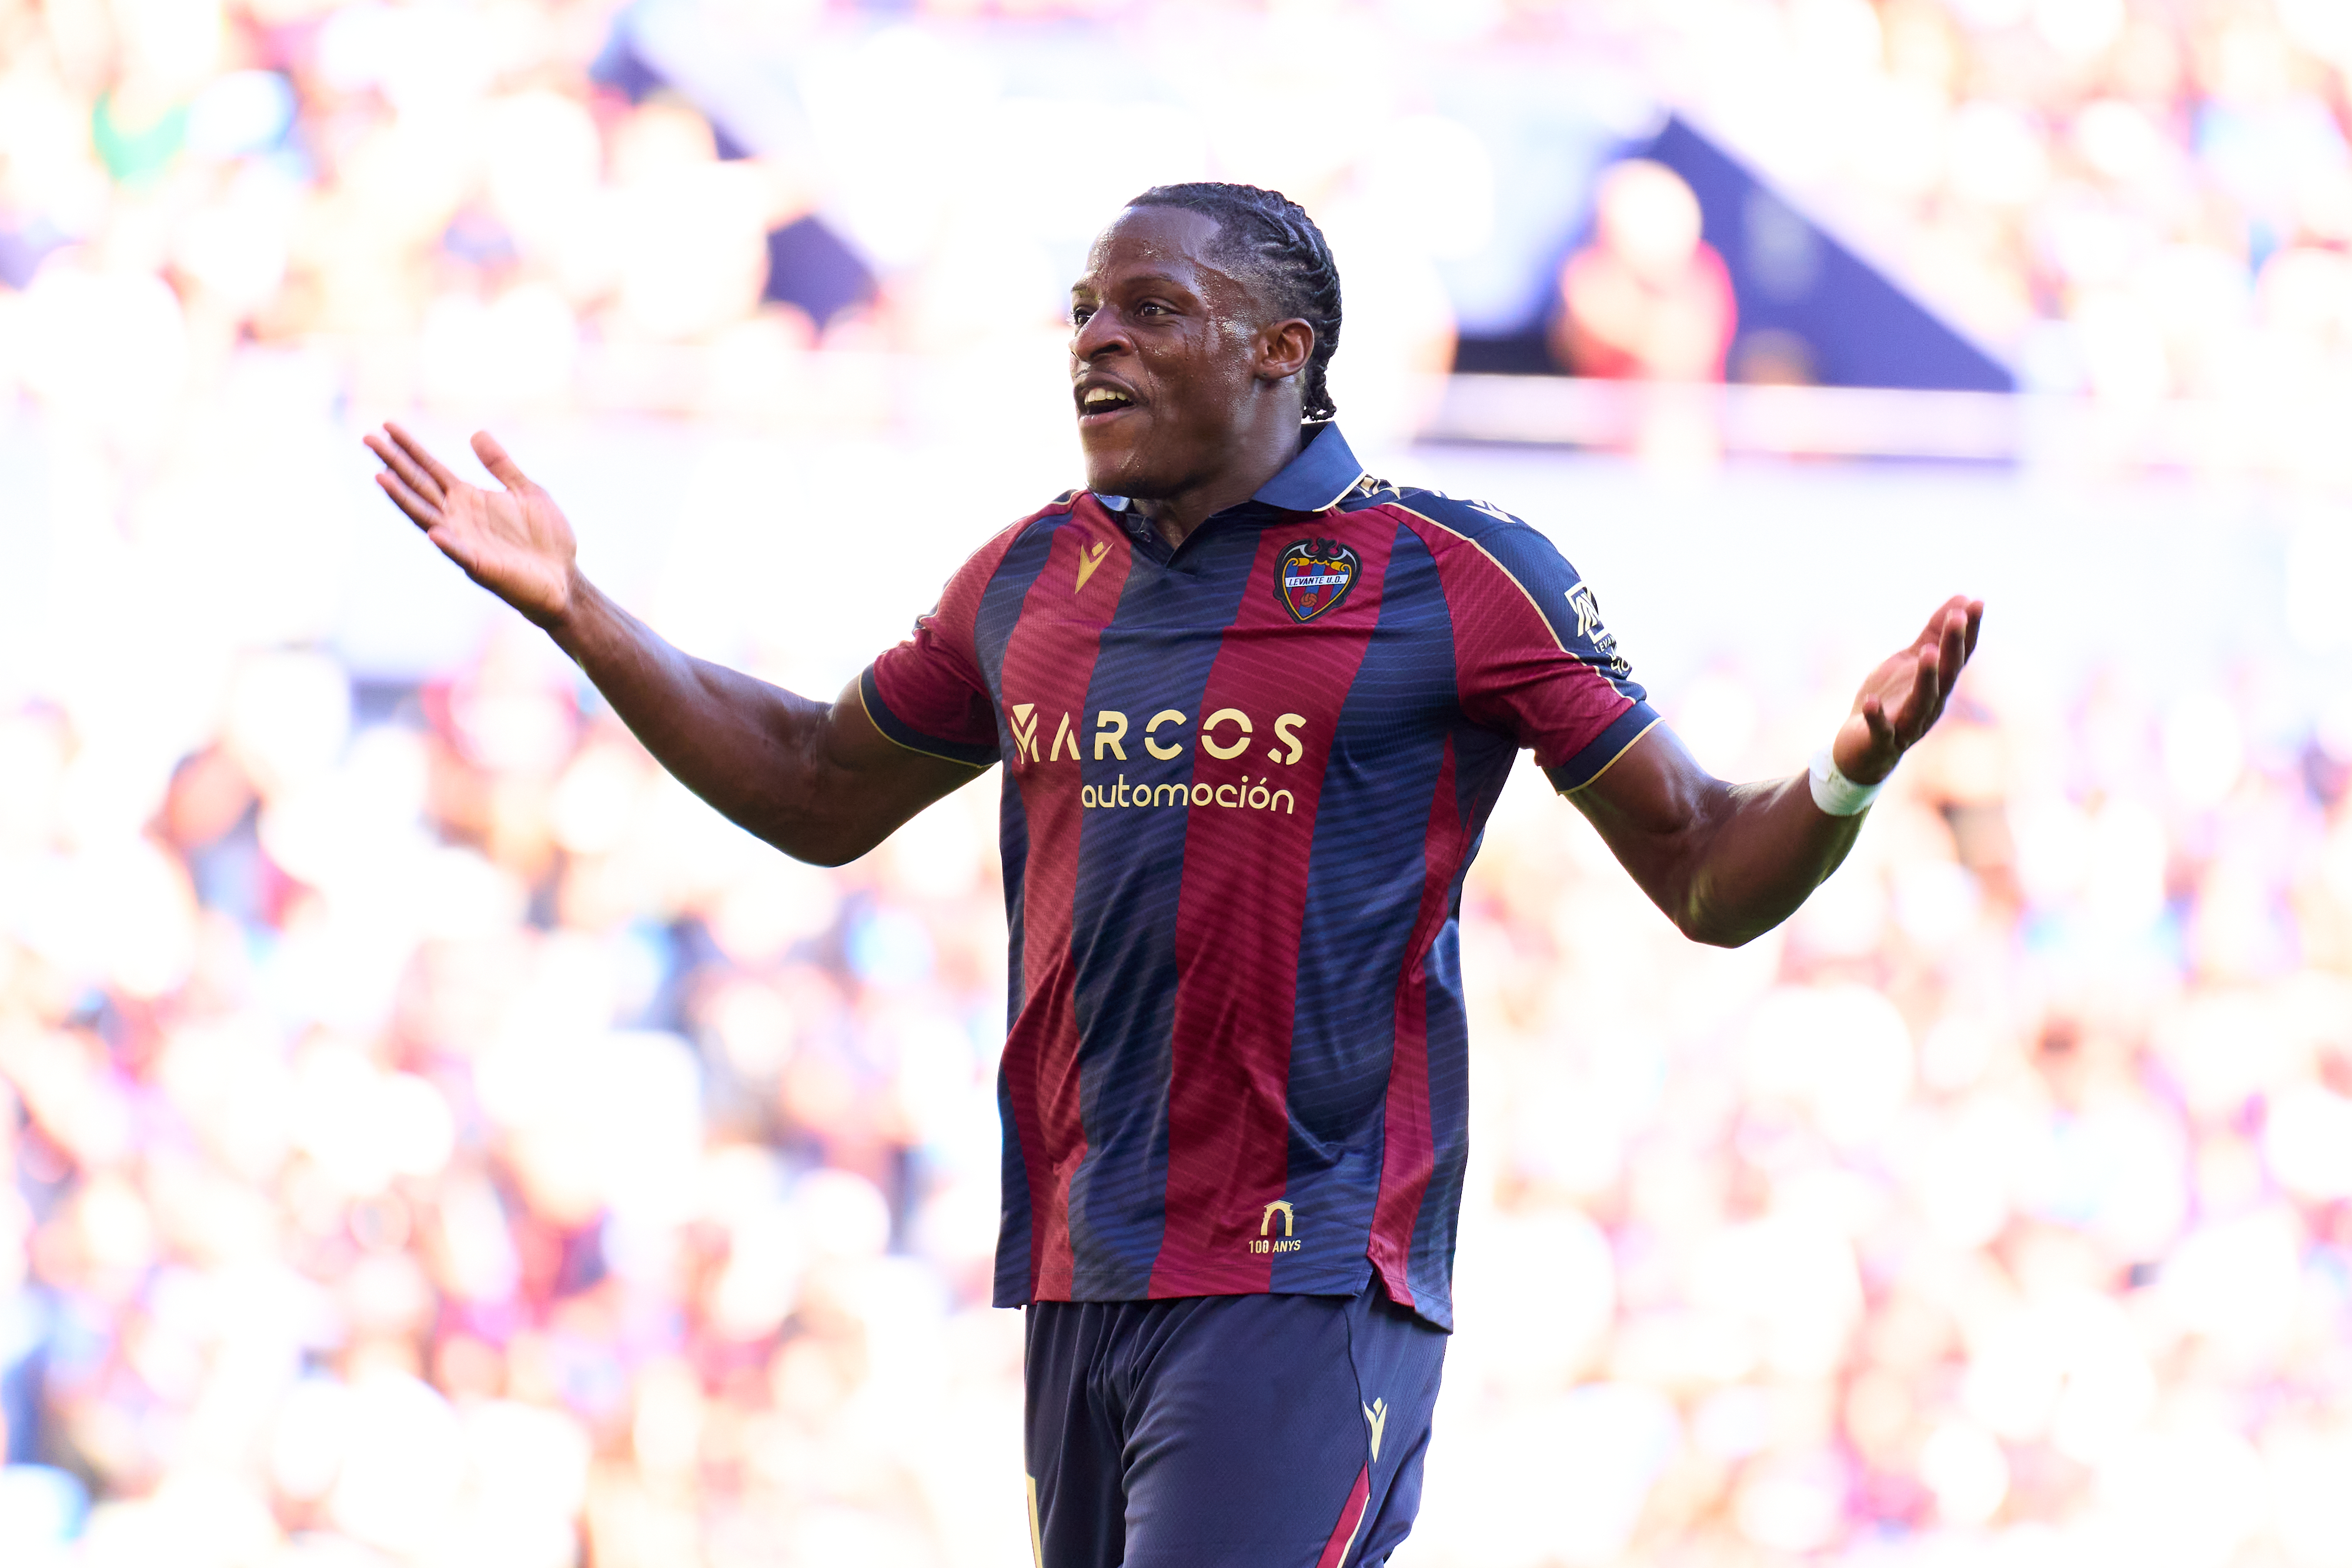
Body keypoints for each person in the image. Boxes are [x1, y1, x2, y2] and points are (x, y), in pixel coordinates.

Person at [366, 180, 1982, 1568]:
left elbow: (1705, 870)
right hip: (1085, 1266)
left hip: (1306, 1270)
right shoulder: (1032, 575)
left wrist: (1844, 770)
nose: (1094, 340)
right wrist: (579, 610)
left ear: (1284, 349)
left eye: (1149, 307)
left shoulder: (1455, 573)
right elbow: (811, 786)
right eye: (1082, 311)